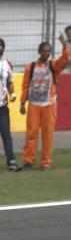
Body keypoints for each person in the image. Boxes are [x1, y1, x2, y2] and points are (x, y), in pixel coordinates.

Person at [20, 40, 71, 171]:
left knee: (47, 135)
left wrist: (65, 45)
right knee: (31, 134)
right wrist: (22, 102)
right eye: (44, 51)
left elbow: (66, 59)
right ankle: (28, 161)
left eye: (48, 51)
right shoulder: (30, 67)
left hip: (49, 105)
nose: (46, 53)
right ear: (39, 52)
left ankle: (45, 163)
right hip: (33, 105)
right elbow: (25, 86)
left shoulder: (54, 66)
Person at [0, 37, 18, 171]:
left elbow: (10, 82)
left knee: (6, 134)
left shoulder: (7, 64)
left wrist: (12, 93)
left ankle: (11, 161)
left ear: (4, 48)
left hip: (2, 106)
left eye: (1, 46)